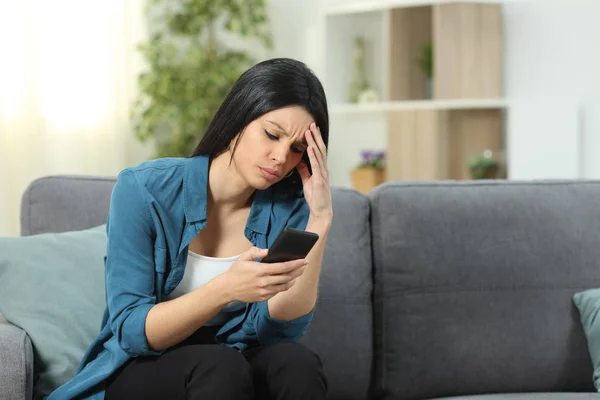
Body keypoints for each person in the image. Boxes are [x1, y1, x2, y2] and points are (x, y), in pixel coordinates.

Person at [47, 58, 331, 400]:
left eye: (297, 149)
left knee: (295, 361)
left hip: (233, 361)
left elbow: (282, 328)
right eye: (272, 134)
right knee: (219, 364)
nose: (280, 157)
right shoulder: (144, 189)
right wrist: (225, 288)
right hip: (144, 366)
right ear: (240, 115)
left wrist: (319, 220)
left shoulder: (289, 207)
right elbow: (132, 331)